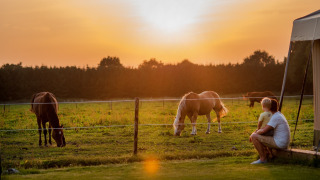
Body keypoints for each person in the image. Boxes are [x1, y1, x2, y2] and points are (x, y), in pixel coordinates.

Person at [249, 99, 290, 164]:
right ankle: (267, 155)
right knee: (258, 135)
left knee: (254, 136)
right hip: (282, 142)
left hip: (279, 143)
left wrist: (253, 134)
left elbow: (263, 130)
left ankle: (263, 159)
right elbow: (265, 129)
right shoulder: (279, 114)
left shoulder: (275, 117)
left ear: (269, 107)